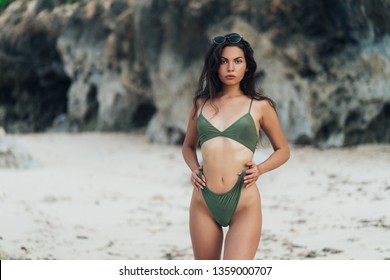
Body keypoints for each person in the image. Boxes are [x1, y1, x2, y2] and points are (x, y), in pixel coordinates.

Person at [182, 33, 290, 260]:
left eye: (238, 61)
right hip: (203, 201)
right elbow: (188, 147)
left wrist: (260, 169)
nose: (231, 68)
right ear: (215, 66)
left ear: (247, 67)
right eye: (224, 61)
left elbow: (283, 151)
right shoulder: (200, 104)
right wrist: (193, 168)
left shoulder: (261, 106)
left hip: (244, 203)